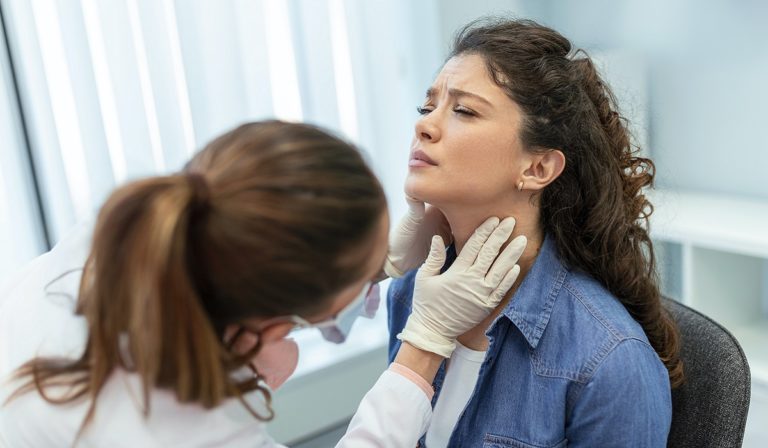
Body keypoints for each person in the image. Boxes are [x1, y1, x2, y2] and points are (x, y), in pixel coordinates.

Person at [0, 120, 527, 447]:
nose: (428, 127)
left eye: (465, 110)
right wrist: (425, 345)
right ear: (272, 322)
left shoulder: (126, 236)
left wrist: (368, 271)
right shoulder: (186, 432)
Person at [386, 18, 684, 447]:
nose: (424, 126)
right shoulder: (411, 291)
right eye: (427, 107)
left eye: (464, 110)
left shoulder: (609, 361)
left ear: (538, 167)